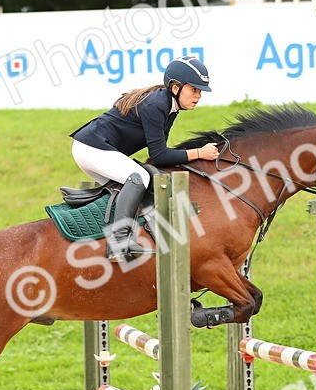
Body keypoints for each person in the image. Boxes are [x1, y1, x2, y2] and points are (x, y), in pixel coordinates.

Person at [70, 55, 220, 262]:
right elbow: (160, 155)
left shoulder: (170, 107)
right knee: (139, 177)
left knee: (141, 181)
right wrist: (199, 153)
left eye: (200, 91)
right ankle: (118, 243)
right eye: (194, 89)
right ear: (176, 88)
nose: (199, 96)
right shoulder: (157, 105)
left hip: (93, 148)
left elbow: (159, 155)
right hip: (91, 148)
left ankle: (141, 234)